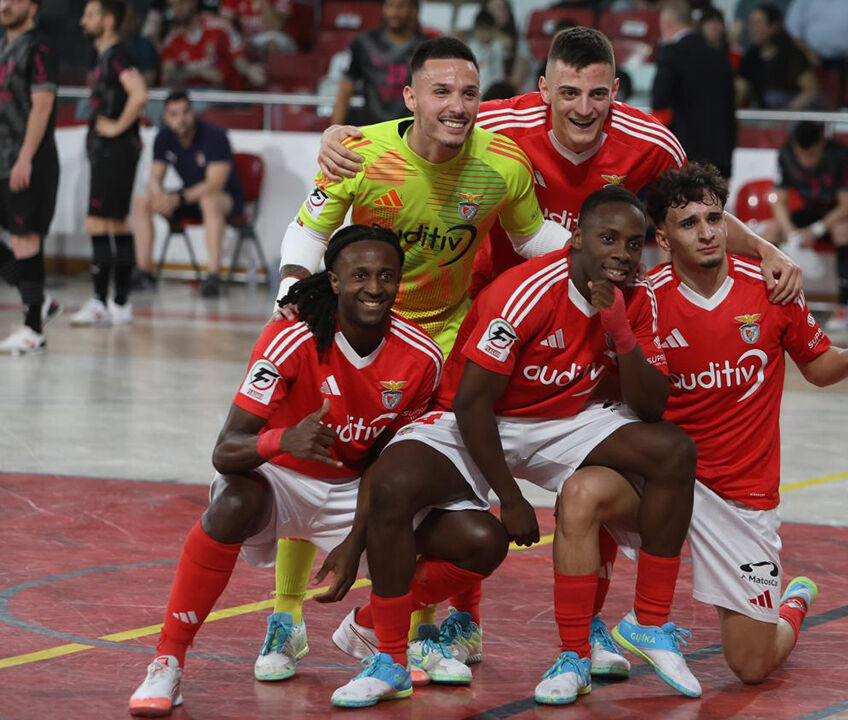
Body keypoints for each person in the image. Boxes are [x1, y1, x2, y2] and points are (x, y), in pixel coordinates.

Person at [537, 164, 848, 703]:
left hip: (741, 495)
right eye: (689, 224)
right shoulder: (644, 297)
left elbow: (817, 366)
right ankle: (576, 649)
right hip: (664, 480)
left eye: (715, 218)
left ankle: (792, 602)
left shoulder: (770, 290)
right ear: (662, 239)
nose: (707, 231)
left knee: (753, 667)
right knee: (582, 493)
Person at [324, 186, 700, 708]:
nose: (621, 254)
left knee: (674, 451)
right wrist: (511, 496)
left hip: (566, 420)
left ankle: (647, 623)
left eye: (634, 244)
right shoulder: (523, 292)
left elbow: (652, 405)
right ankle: (388, 657)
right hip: (479, 418)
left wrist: (618, 326)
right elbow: (473, 404)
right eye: (608, 238)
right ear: (576, 238)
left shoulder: (639, 295)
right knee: (396, 485)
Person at [267, 37, 562, 678]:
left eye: (469, 92)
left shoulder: (504, 165)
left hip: (449, 344)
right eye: (441, 91)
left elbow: (534, 238)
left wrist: (619, 271)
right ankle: (285, 619)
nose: (457, 106)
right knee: (323, 462)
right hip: (361, 333)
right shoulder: (361, 152)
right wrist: (292, 287)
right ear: (409, 97)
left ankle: (421, 633)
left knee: (443, 485)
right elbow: (308, 228)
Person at [126, 225, 446, 717]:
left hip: (354, 489)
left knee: (475, 536)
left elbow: (391, 465)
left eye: (387, 276)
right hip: (282, 481)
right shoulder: (291, 337)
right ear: (334, 281)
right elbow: (226, 450)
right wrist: (284, 439)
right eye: (360, 275)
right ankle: (168, 659)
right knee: (231, 500)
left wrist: (358, 538)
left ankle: (374, 633)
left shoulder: (422, 355)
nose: (375, 288)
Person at [317, 26, 802, 306]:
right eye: (568, 93)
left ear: (615, 92)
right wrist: (337, 135)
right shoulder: (496, 123)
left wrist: (766, 251)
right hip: (494, 296)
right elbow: (421, 124)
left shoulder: (653, 144)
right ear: (545, 90)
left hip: (592, 295)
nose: (583, 110)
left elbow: (697, 216)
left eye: (597, 95)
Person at [69, 0, 148, 327]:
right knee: (105, 223)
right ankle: (111, 302)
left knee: (107, 222)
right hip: (107, 152)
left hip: (115, 151)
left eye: (90, 15)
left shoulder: (117, 55)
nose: (83, 21)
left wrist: (116, 127)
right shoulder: (103, 57)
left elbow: (139, 93)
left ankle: (114, 302)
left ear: (109, 20)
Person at [132, 91, 245, 298]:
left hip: (224, 199)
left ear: (193, 113)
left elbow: (215, 185)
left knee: (209, 201)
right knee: (142, 201)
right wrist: (160, 197)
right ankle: (143, 272)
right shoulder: (163, 137)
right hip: (188, 198)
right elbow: (155, 178)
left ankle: (212, 276)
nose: (180, 119)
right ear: (166, 117)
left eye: (185, 112)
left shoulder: (215, 136)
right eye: (174, 114)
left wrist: (177, 199)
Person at [0, 0, 60, 354]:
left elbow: (43, 103)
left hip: (28, 160)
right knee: (19, 243)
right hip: (2, 157)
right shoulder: (4, 45)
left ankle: (33, 329)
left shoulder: (39, 47)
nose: (5, 4)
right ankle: (40, 300)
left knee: (25, 239)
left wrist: (25, 157)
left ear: (33, 6)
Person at [762, 121, 848, 328]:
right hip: (811, 210)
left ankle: (843, 307)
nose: (806, 161)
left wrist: (816, 231)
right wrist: (791, 233)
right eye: (802, 155)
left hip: (838, 213)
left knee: (843, 232)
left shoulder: (840, 155)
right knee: (771, 230)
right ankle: (768, 300)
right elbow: (779, 202)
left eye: (811, 155)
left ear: (821, 145)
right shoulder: (786, 154)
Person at [651, 0, 736, 179]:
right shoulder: (719, 56)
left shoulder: (671, 53)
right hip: (718, 157)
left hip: (683, 155)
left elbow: (659, 100)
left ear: (666, 23)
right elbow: (730, 111)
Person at [331, 0, 427, 126]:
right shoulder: (364, 42)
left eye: (401, 6)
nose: (394, 12)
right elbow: (345, 90)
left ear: (415, 10)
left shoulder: (426, 48)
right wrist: (334, 129)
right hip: (371, 128)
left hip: (411, 131)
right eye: (389, 5)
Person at [159, 0, 265, 89]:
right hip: (189, 95)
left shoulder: (220, 28)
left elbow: (240, 62)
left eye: (181, 3)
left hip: (224, 95)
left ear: (193, 2)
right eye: (172, 5)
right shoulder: (172, 39)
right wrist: (200, 72)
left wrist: (250, 70)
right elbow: (167, 77)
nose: (176, 10)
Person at [736, 2, 817, 111]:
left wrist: (787, 112)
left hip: (789, 118)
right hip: (760, 118)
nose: (752, 28)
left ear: (773, 26)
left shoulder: (791, 53)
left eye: (758, 23)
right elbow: (740, 89)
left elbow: (811, 90)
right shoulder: (750, 56)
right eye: (751, 23)